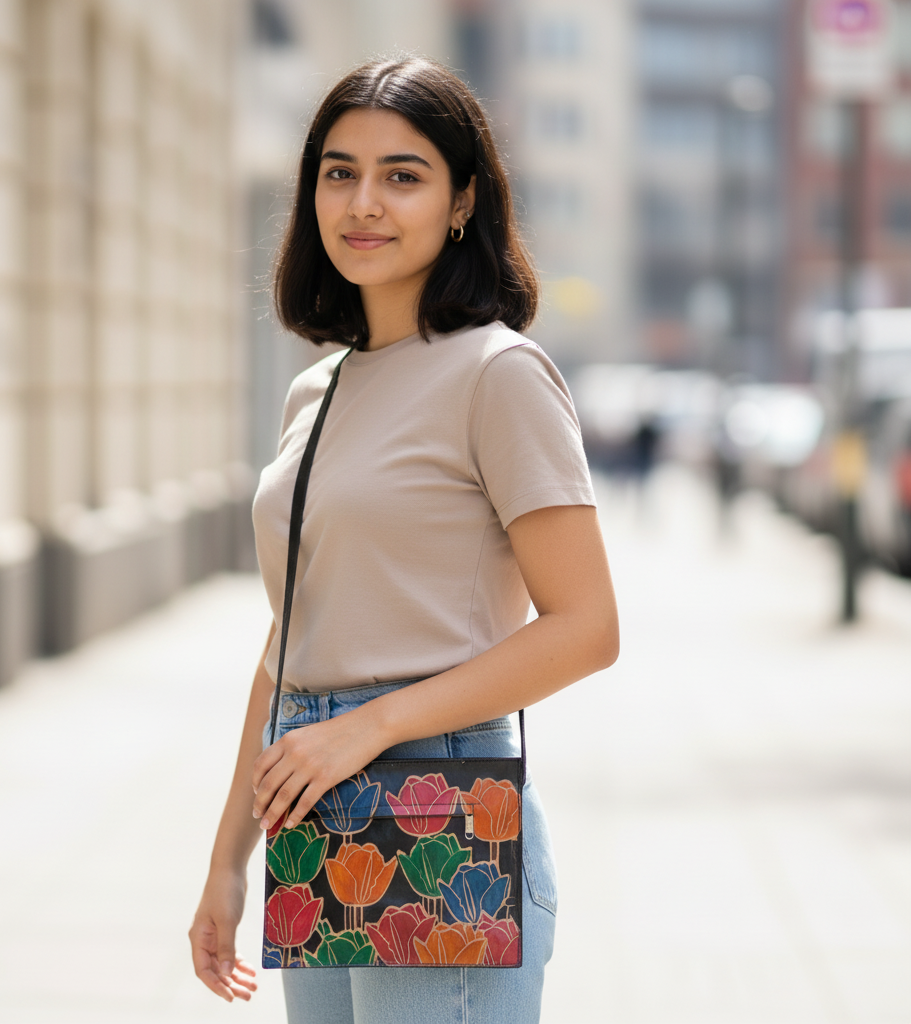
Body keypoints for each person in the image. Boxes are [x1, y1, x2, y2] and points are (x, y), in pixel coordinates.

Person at [189, 56, 619, 1024]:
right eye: (339, 173)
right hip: (311, 800)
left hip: (437, 798)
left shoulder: (498, 374)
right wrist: (228, 859)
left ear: (462, 200)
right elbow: (289, 636)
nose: (363, 203)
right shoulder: (319, 387)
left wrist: (371, 724)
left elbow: (587, 626)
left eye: (403, 175)